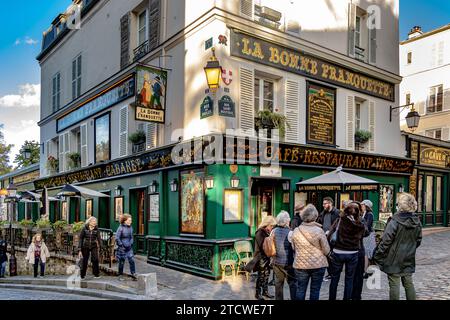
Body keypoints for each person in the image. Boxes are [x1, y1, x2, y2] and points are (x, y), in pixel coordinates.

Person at [373, 193, 422, 300]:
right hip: (408, 257)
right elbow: (418, 240)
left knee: (394, 284)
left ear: (400, 205)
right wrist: (410, 249)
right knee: (408, 283)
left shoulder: (395, 220)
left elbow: (386, 241)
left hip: (393, 258)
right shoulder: (417, 221)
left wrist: (377, 254)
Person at [291, 204, 330, 301]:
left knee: (300, 290)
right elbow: (326, 250)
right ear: (315, 216)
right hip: (318, 264)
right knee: (315, 290)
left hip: (301, 265)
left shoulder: (296, 230)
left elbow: (293, 247)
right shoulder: (319, 230)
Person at [327, 202, 366, 300]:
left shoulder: (339, 220)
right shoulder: (359, 223)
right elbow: (365, 233)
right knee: (349, 279)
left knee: (334, 278)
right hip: (352, 253)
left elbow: (330, 235)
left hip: (338, 252)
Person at [245, 215, 277, 300]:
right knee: (261, 276)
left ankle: (265, 292)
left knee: (267, 275)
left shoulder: (267, 232)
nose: (272, 228)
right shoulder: (259, 232)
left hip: (266, 257)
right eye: (271, 226)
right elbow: (262, 245)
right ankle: (257, 293)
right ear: (267, 224)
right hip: (260, 258)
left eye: (273, 226)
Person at [272, 211, 297, 300]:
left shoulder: (273, 231)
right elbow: (294, 248)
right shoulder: (291, 232)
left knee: (278, 284)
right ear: (286, 221)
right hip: (288, 263)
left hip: (276, 262)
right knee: (292, 283)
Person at [318, 197, 340, 281]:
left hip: (333, 238)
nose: (323, 205)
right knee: (327, 255)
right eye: (323, 203)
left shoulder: (337, 213)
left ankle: (334, 272)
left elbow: (338, 225)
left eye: (325, 203)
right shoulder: (323, 213)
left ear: (330, 203)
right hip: (324, 237)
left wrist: (331, 231)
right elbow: (319, 222)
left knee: (333, 255)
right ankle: (330, 272)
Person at [116, 214, 137, 281]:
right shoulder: (120, 228)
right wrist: (121, 245)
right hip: (122, 248)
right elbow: (117, 238)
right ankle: (120, 275)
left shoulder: (130, 227)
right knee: (122, 262)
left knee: (132, 260)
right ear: (125, 221)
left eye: (131, 220)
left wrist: (131, 243)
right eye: (129, 220)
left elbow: (131, 237)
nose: (131, 221)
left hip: (129, 247)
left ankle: (133, 274)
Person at [361, 200, 376, 278]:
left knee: (367, 253)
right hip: (365, 236)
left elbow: (367, 226)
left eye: (362, 205)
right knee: (366, 253)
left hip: (368, 236)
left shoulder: (369, 214)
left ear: (366, 206)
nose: (361, 206)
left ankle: (366, 271)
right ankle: (367, 271)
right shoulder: (364, 214)